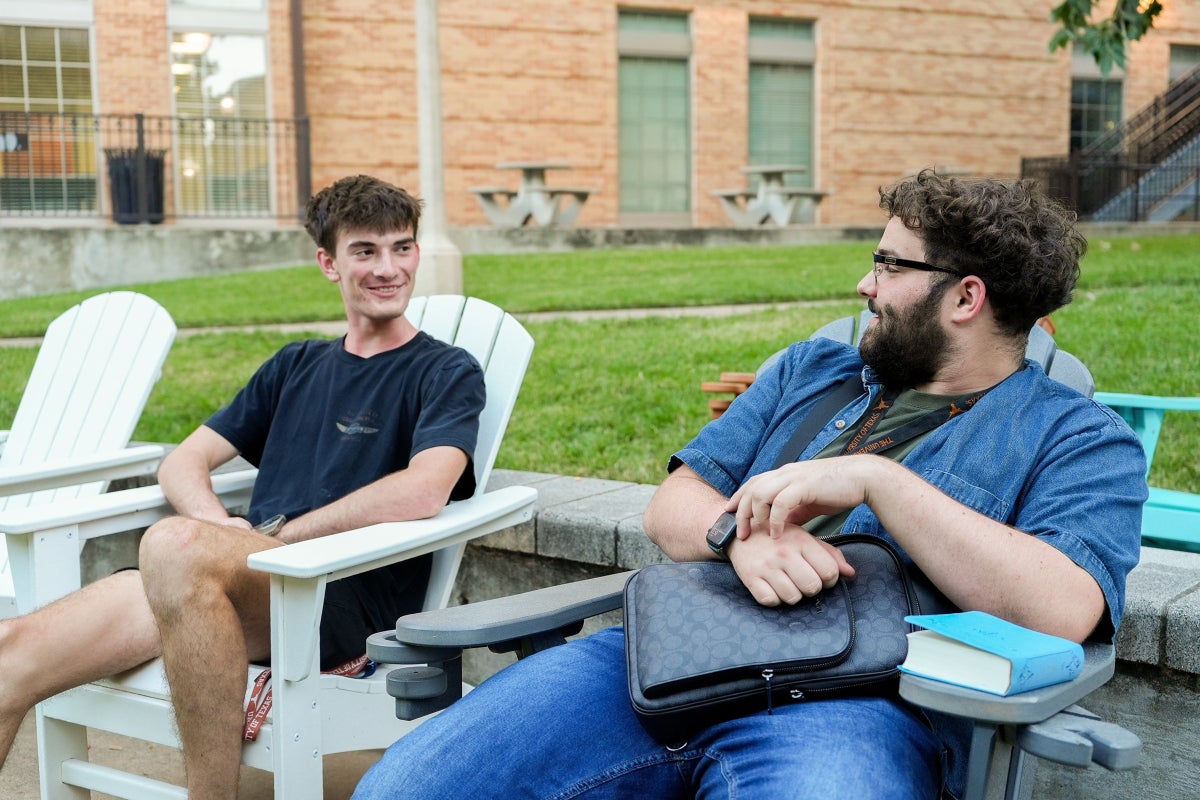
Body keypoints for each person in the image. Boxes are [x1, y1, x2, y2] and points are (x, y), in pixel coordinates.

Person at [351, 170, 1147, 800]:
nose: (865, 285)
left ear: (966, 296)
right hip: (664, 660)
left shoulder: (1075, 436)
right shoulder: (815, 370)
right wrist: (740, 539)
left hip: (860, 706)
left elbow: (1065, 605)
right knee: (402, 787)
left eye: (888, 264)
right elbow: (676, 505)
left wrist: (877, 482)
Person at [0, 174, 486, 799]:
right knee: (11, 653)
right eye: (365, 250)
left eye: (402, 247)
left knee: (174, 546)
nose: (388, 268)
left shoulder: (445, 370)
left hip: (331, 595)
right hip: (233, 575)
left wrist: (275, 540)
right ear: (328, 263)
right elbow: (183, 462)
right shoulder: (296, 364)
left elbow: (424, 490)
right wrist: (220, 527)